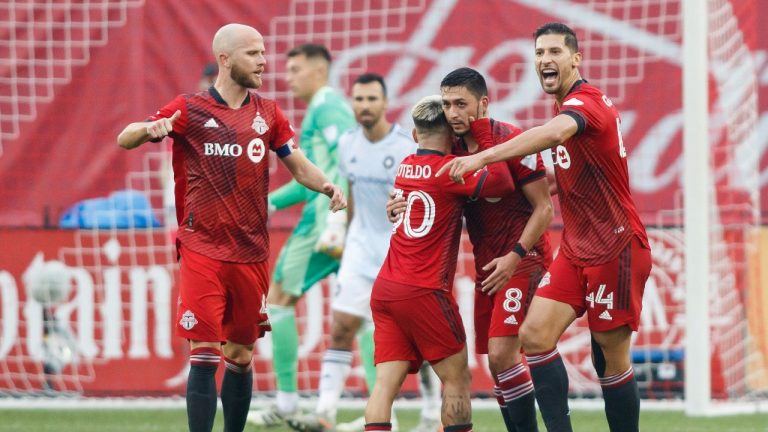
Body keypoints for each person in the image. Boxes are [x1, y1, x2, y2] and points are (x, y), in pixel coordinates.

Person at [116, 24, 346, 432]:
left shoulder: (269, 113)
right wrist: (148, 129)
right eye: (253, 53)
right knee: (203, 352)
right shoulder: (189, 109)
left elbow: (297, 162)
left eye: (263, 52)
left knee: (240, 355)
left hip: (251, 251)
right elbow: (126, 137)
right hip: (201, 247)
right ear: (226, 59)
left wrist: (326, 185)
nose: (263, 61)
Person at [436, 23, 652, 432]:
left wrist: (484, 159)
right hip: (576, 249)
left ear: (576, 58)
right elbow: (572, 170)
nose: (545, 60)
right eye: (538, 53)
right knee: (534, 335)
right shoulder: (565, 104)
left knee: (610, 359)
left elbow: (553, 134)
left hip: (616, 248)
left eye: (554, 51)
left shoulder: (584, 104)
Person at [388, 67, 553, 432]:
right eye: (447, 104)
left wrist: (515, 256)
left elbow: (544, 207)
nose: (453, 113)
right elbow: (425, 186)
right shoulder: (451, 148)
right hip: (486, 267)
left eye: (461, 104)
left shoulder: (513, 139)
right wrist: (397, 202)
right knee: (497, 364)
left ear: (483, 103)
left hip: (523, 259)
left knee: (501, 355)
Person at [285, 74, 441, 432]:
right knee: (341, 327)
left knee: (420, 338)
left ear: (386, 104)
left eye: (372, 99)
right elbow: (352, 192)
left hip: (401, 254)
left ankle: (432, 412)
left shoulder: (405, 147)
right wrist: (343, 233)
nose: (365, 106)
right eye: (358, 99)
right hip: (359, 249)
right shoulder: (348, 145)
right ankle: (324, 412)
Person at [365, 95, 515, 432]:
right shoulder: (450, 171)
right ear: (452, 136)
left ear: (415, 136)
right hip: (424, 289)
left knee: (385, 385)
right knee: (458, 378)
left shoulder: (405, 165)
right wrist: (485, 141)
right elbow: (503, 182)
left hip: (386, 287)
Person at [247, 43, 357, 426]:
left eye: (295, 69)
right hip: (342, 221)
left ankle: (288, 401)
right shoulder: (324, 108)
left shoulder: (328, 108)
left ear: (319, 71)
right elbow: (309, 178)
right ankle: (381, 411)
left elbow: (347, 158)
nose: (289, 76)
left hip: (322, 224)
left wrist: (335, 219)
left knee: (277, 299)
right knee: (364, 314)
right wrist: (269, 203)